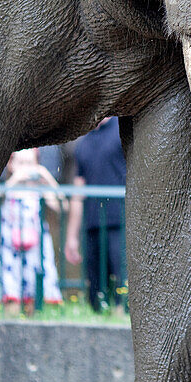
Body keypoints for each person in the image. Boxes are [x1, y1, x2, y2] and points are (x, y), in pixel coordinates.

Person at [0, 149, 63, 312]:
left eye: (30, 164)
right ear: (11, 165)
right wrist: (15, 179)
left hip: (36, 249)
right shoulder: (8, 189)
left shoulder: (40, 189)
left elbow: (61, 206)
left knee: (34, 296)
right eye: (21, 163)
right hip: (11, 249)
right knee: (11, 295)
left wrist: (47, 177)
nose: (26, 169)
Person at [65, 117, 126, 311]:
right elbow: (78, 191)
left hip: (121, 223)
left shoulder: (121, 128)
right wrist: (71, 237)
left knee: (123, 286)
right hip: (92, 225)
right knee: (96, 290)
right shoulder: (84, 141)